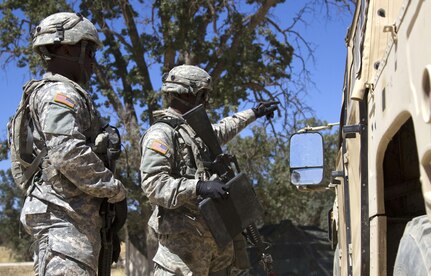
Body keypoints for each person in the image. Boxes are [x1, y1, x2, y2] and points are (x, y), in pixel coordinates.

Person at [15, 12, 127, 275]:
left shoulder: (56, 92)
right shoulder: (59, 93)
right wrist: (115, 190)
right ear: (67, 49)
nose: (92, 63)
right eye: (89, 53)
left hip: (72, 222)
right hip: (63, 222)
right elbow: (68, 152)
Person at [140, 64, 278, 275]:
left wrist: (254, 112)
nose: (206, 102)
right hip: (182, 253)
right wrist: (199, 186)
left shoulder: (195, 130)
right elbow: (153, 185)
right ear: (193, 93)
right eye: (204, 95)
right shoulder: (161, 134)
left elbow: (225, 128)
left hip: (216, 245)